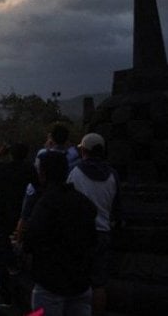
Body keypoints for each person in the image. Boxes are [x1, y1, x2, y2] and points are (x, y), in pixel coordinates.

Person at [23, 151, 98, 316]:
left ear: (43, 173)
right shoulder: (83, 202)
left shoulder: (46, 203)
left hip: (51, 283)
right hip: (81, 281)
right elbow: (93, 240)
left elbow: (29, 240)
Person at [66, 133, 121, 316]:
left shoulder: (75, 172)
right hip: (103, 232)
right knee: (99, 283)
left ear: (83, 150)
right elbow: (116, 207)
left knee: (77, 279)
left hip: (80, 233)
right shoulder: (113, 175)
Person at [0, 143, 37, 307]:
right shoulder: (29, 169)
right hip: (18, 215)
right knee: (10, 248)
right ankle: (14, 267)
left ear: (10, 154)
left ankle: (4, 295)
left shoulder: (1, 167)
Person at [17, 124, 80, 238]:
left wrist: (47, 147)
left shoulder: (43, 154)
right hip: (61, 189)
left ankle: (19, 239)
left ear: (51, 138)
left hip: (38, 190)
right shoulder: (72, 155)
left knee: (25, 216)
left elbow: (38, 170)